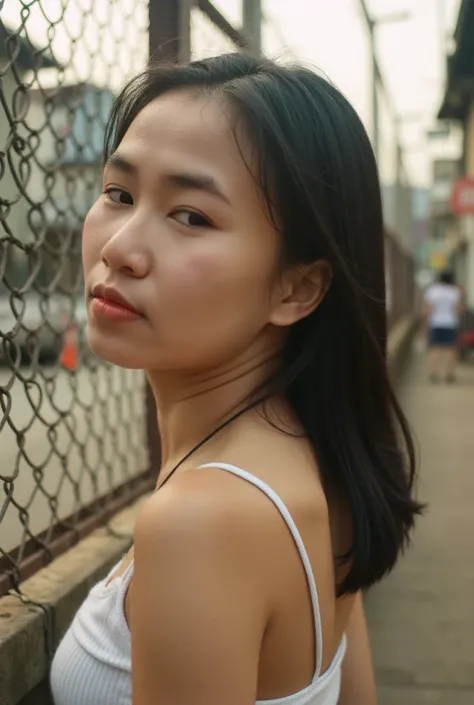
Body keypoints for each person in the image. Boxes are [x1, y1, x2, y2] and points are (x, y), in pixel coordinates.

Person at [50, 54, 422, 705]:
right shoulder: (325, 461)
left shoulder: (201, 521)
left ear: (298, 287)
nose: (119, 248)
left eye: (190, 216)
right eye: (119, 194)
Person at [424, 270, 463, 382]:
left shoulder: (433, 291)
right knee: (450, 349)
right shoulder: (455, 291)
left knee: (435, 348)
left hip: (435, 322)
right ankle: (449, 374)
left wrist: (426, 323)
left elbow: (428, 309)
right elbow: (459, 310)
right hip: (450, 323)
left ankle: (433, 373)